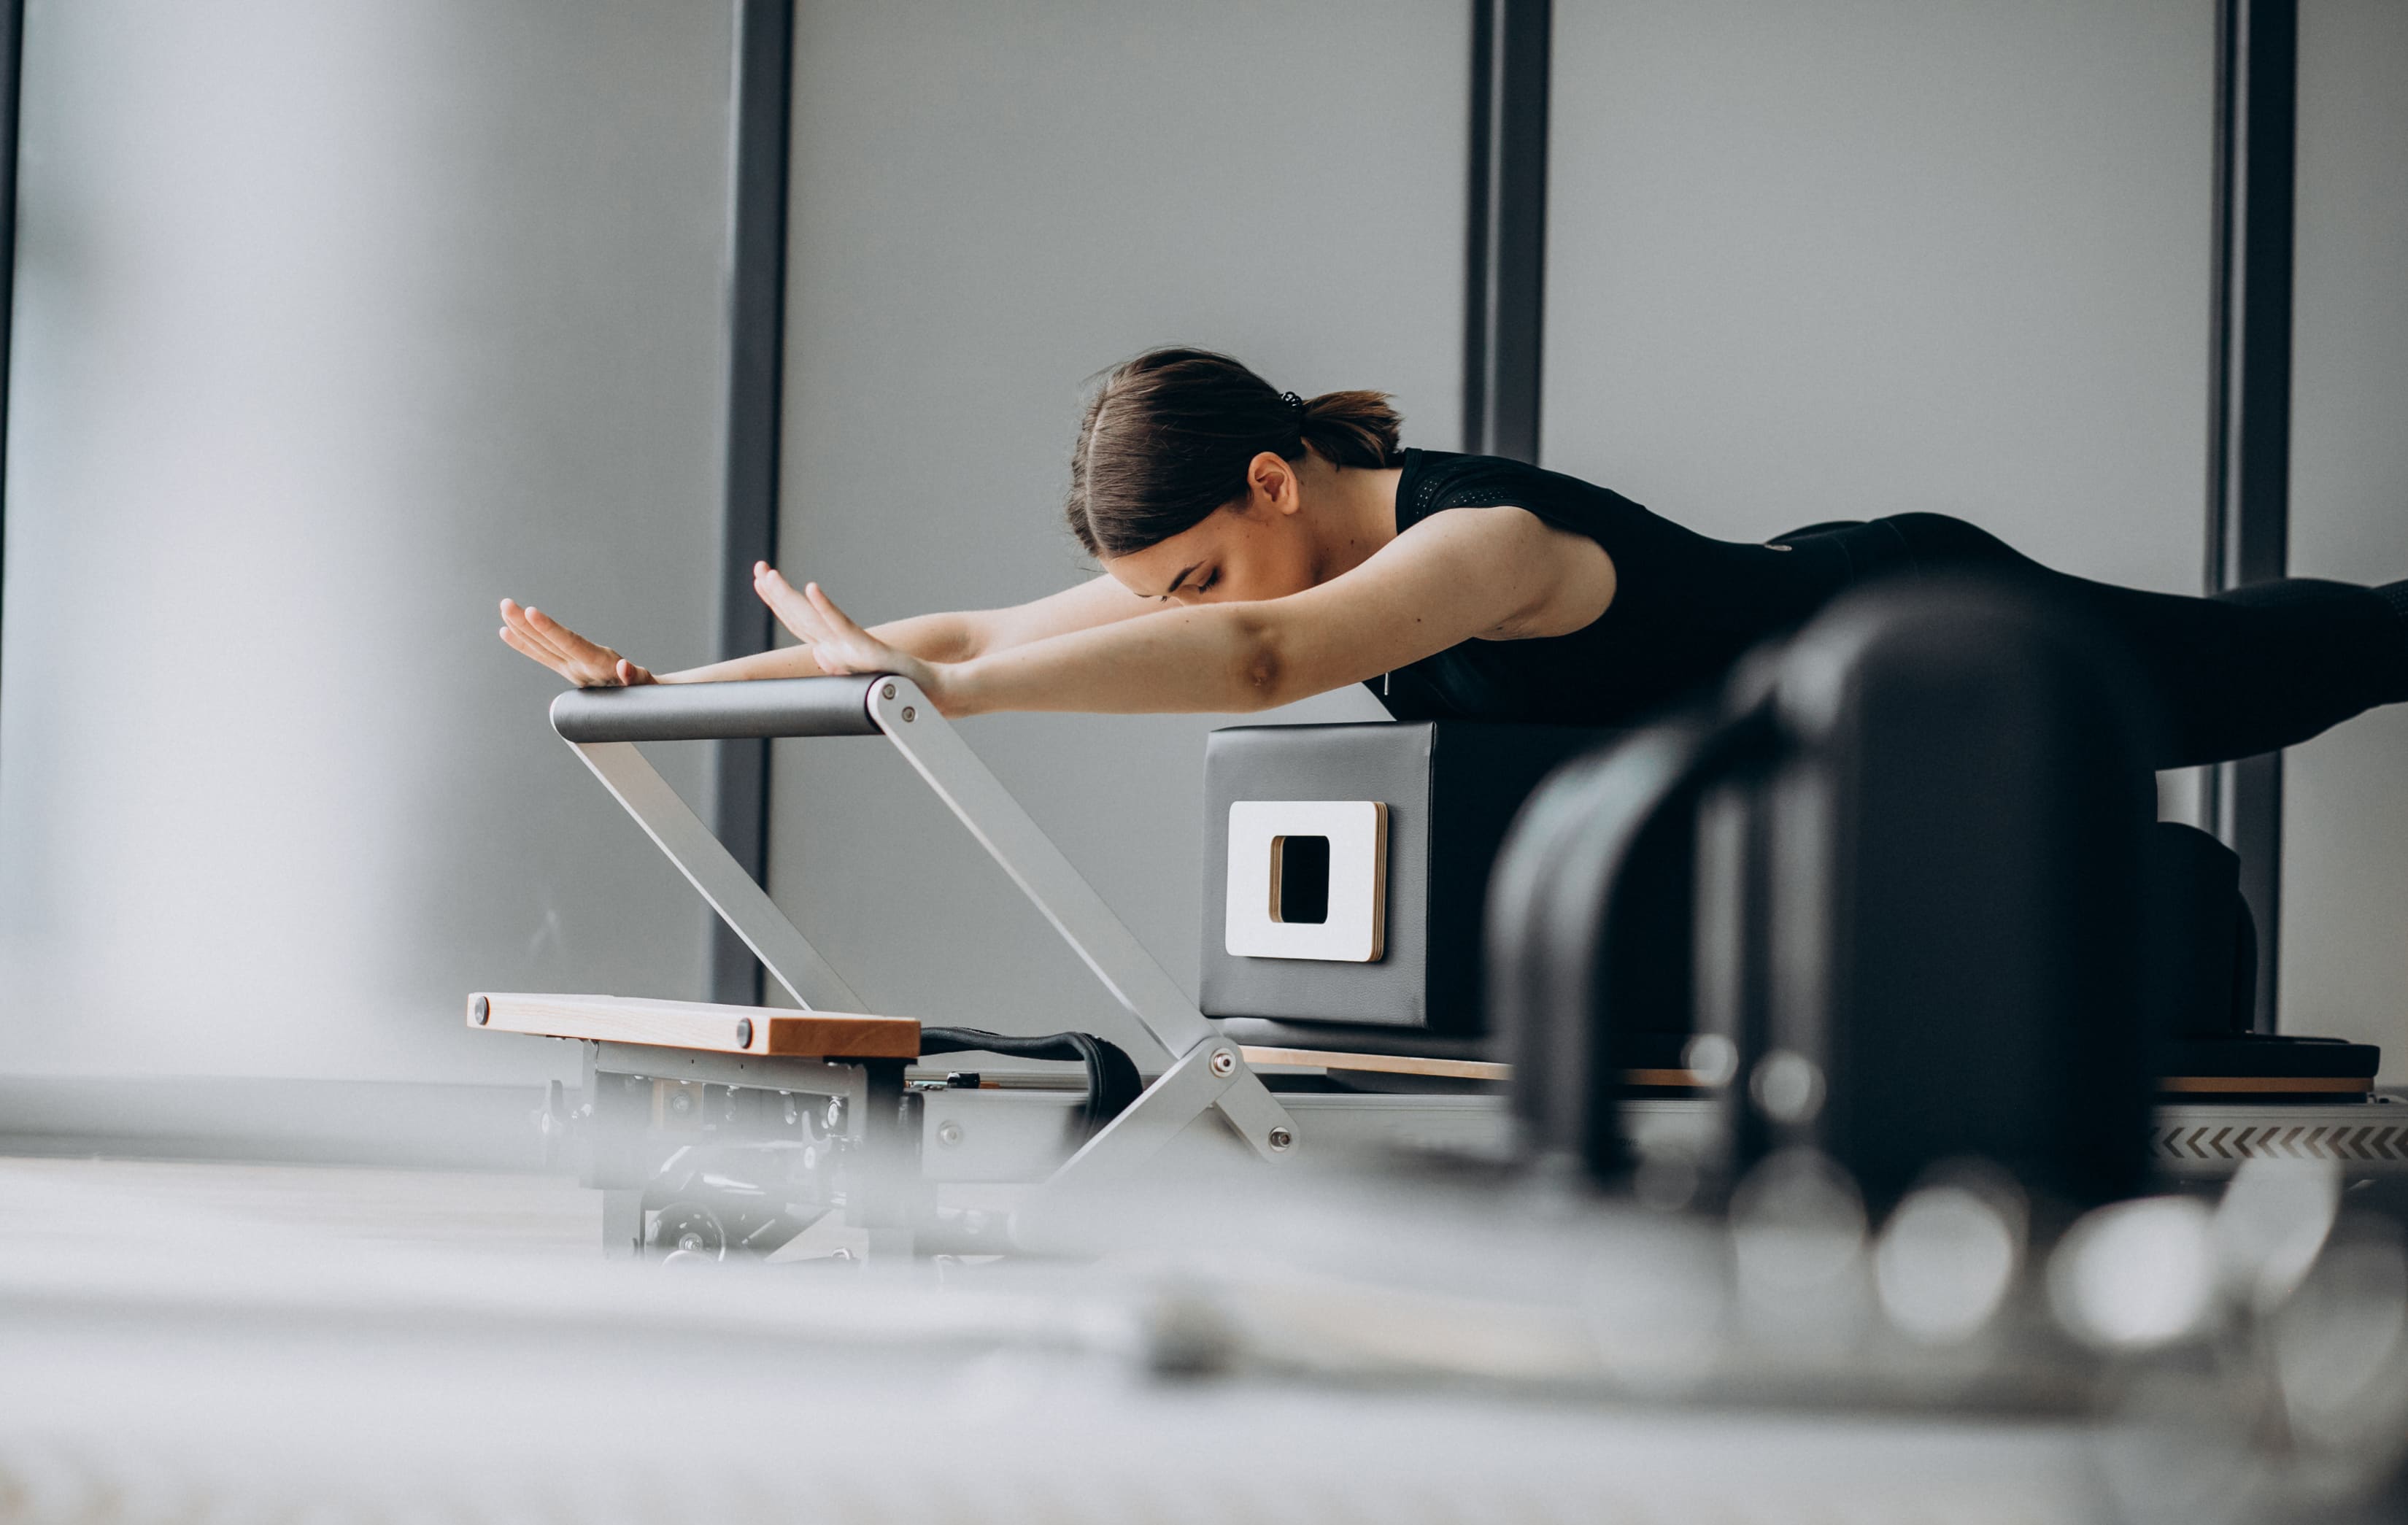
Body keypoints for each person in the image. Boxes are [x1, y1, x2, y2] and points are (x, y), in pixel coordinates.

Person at [500, 347, 2408, 768]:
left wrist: (947, 694)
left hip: (1926, 632)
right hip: (1836, 733)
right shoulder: (1256, 558)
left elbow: (1257, 667)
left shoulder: (1475, 543)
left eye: (1180, 574)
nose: (1175, 617)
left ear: (1267, 482)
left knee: (2281, 669)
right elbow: (957, 623)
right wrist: (668, 687)